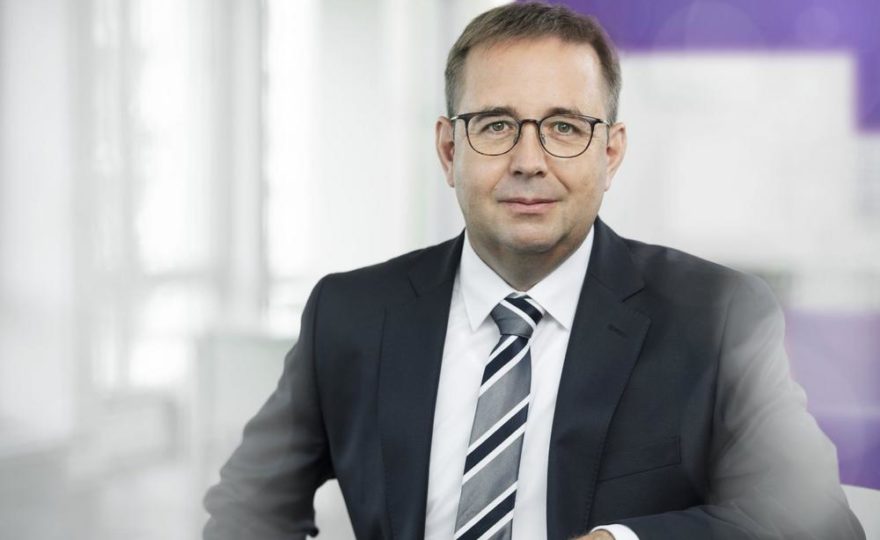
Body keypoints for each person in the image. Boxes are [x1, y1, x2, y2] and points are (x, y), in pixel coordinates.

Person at [202, 3, 865, 539]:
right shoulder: (350, 314)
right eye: (495, 126)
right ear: (448, 149)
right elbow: (247, 508)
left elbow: (818, 523)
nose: (528, 161)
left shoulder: (716, 317)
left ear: (610, 153)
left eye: (564, 128)